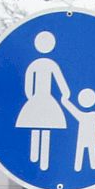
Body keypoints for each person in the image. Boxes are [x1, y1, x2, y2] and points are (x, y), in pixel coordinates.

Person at [15, 31, 70, 172]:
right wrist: (65, 93)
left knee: (38, 126)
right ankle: (41, 160)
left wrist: (30, 97)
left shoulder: (35, 64)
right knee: (45, 128)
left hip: (37, 99)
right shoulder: (50, 64)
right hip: (45, 99)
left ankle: (37, 157)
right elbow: (61, 82)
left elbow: (28, 84)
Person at [67, 87, 95, 174]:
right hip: (85, 136)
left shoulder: (89, 115)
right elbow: (73, 110)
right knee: (83, 151)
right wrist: (66, 102)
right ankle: (79, 168)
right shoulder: (87, 115)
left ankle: (87, 167)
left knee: (89, 151)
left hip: (89, 136)